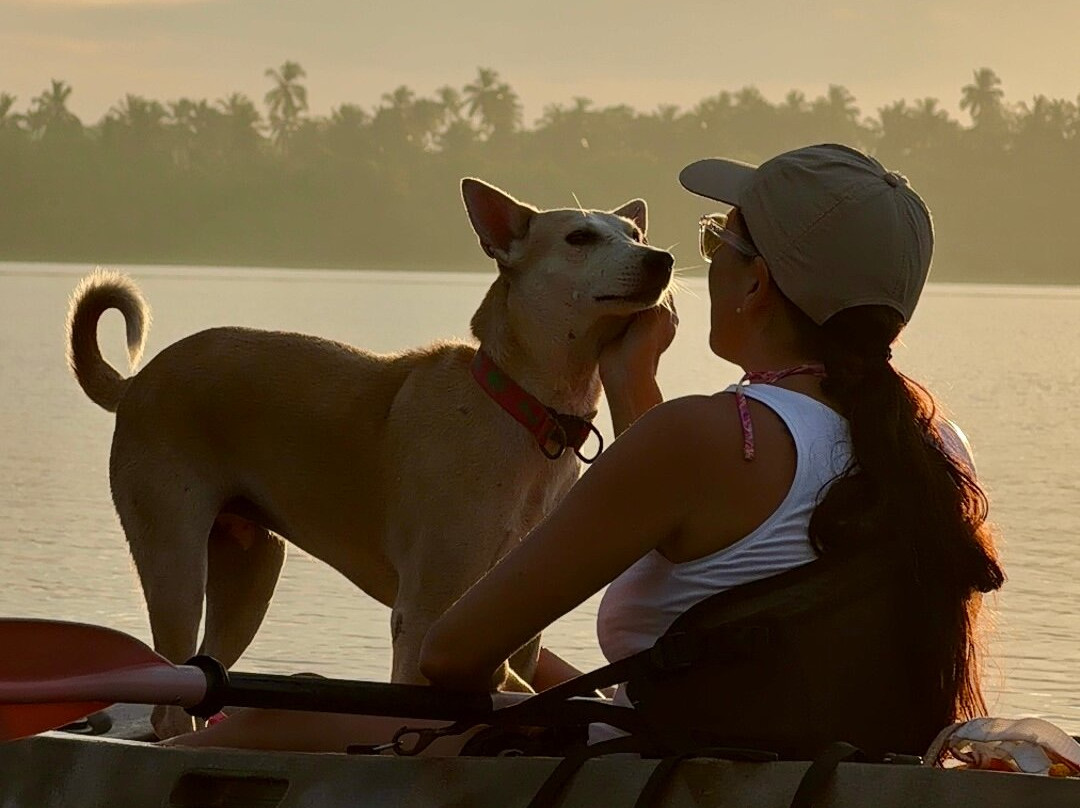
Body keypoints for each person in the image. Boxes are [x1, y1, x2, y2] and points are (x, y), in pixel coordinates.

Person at [166, 143, 1004, 753]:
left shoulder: (708, 436)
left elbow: (448, 654)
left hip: (660, 773)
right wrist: (632, 382)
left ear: (755, 283)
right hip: (783, 765)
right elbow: (715, 628)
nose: (697, 259)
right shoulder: (936, 445)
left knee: (293, 706)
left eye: (717, 239)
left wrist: (636, 386)